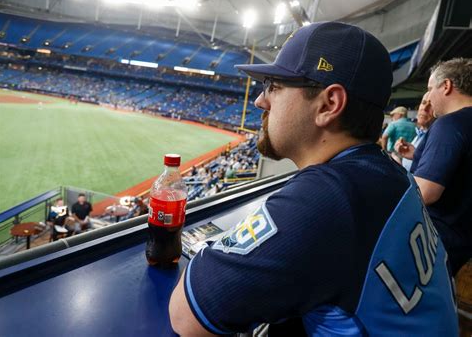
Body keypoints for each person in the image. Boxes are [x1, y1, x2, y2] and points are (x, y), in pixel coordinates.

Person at [169, 22, 458, 336]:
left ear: (328, 104)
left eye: (274, 85)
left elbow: (186, 317)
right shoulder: (390, 174)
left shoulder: (330, 197)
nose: (260, 101)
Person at [396, 58, 472, 275]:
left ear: (446, 86)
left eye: (430, 89)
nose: (427, 97)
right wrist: (416, 155)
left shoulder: (450, 123)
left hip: (433, 240)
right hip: (462, 240)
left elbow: (426, 192)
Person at [396, 92, 435, 171]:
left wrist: (416, 155)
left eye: (431, 105)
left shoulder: (438, 138)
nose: (424, 108)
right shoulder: (420, 133)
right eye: (423, 103)